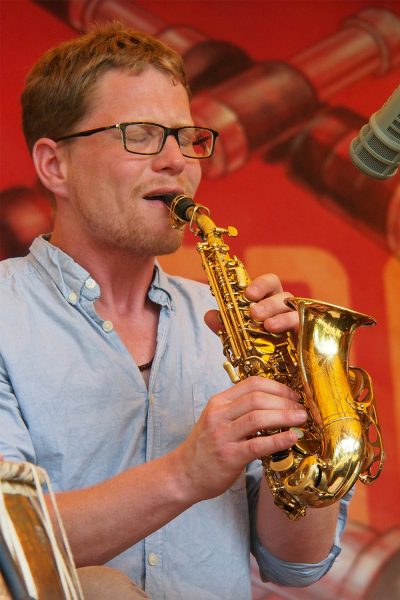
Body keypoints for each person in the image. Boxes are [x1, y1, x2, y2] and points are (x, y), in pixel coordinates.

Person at [0, 23, 350, 600]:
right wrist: (186, 472)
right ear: (53, 166)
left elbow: (297, 565)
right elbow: (10, 540)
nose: (176, 162)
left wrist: (313, 424)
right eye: (141, 135)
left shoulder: (230, 321)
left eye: (187, 138)